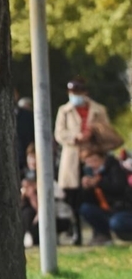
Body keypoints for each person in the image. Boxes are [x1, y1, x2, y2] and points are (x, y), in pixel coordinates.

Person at [54, 77, 112, 246]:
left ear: (85, 92)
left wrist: (93, 134)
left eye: (78, 92)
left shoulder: (99, 110)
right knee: (73, 197)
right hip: (72, 159)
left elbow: (107, 131)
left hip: (92, 157)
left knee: (93, 194)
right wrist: (75, 137)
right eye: (72, 93)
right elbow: (59, 134)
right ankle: (76, 232)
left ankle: (99, 231)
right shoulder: (64, 111)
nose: (75, 96)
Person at [78, 144, 132, 244]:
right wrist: (87, 188)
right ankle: (103, 235)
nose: (92, 164)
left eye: (94, 160)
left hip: (123, 209)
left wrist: (99, 182)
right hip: (106, 210)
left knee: (117, 222)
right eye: (87, 162)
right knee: (85, 208)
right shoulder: (90, 173)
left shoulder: (114, 167)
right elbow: (90, 200)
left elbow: (118, 188)